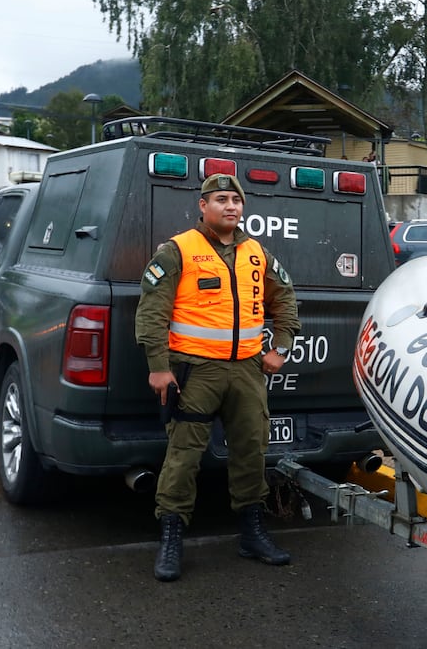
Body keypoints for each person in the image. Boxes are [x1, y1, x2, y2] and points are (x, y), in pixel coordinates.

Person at [135, 173, 302, 582]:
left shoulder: (257, 252)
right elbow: (152, 311)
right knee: (183, 456)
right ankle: (172, 538)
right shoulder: (178, 251)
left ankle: (252, 534)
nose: (231, 206)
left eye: (236, 201)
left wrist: (280, 348)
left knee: (250, 451)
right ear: (203, 206)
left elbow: (286, 299)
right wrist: (159, 366)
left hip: (247, 371)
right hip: (195, 372)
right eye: (221, 199)